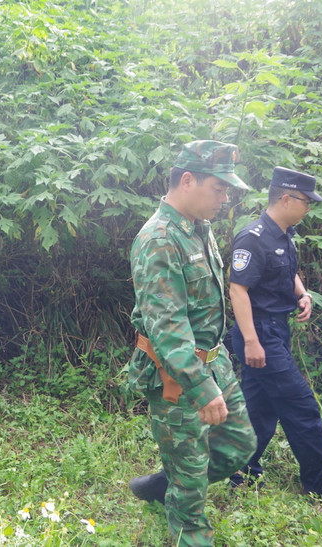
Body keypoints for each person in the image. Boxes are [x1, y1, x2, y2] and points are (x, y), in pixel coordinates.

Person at [126, 140, 257, 546]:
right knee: (191, 486)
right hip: (176, 374)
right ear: (187, 180)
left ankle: (165, 482)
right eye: (219, 189)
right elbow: (168, 328)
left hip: (212, 362)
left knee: (239, 445)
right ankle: (182, 496)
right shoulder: (159, 239)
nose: (225, 198)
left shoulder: (199, 228)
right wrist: (200, 387)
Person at [228, 167, 322, 502]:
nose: (309, 208)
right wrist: (251, 341)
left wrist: (303, 294)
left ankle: (242, 470)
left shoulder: (283, 234)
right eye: (306, 201)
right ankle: (319, 483)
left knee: (259, 408)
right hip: (260, 333)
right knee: (301, 407)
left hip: (275, 330)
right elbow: (238, 290)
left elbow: (288, 270)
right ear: (285, 198)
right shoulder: (253, 238)